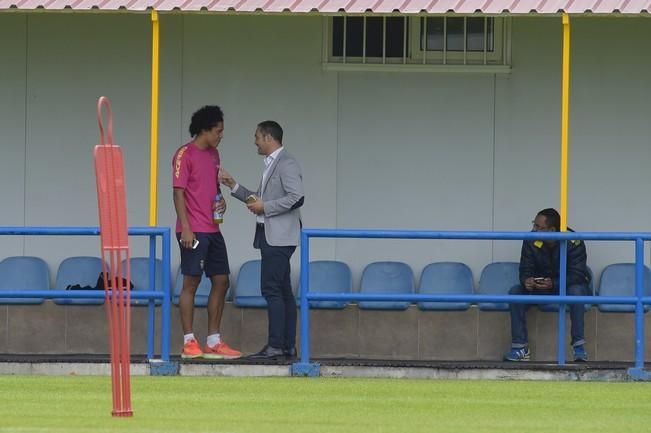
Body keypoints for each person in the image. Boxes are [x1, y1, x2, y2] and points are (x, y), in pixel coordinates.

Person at [219, 120, 304, 360]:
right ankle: (286, 345)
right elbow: (258, 200)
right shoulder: (272, 164)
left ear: (268, 138)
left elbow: (297, 198)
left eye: (257, 136)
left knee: (272, 289)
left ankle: (276, 345)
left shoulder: (286, 163)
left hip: (279, 237)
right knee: (283, 290)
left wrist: (266, 207)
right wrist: (233, 185)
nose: (254, 141)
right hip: (271, 235)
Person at [172, 105, 241, 360]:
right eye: (218, 131)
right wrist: (186, 228)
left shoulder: (214, 154)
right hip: (192, 229)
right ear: (204, 130)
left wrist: (220, 201)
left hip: (213, 227)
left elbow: (211, 188)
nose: (221, 135)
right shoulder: (184, 154)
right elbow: (178, 192)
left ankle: (214, 340)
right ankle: (189, 341)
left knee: (222, 280)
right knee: (191, 282)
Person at [504, 208, 591, 362]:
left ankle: (579, 348)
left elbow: (577, 274)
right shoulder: (530, 239)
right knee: (515, 292)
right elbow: (525, 268)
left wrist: (554, 283)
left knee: (577, 292)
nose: (534, 230)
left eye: (539, 227)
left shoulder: (573, 241)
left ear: (552, 229)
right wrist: (527, 281)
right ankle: (520, 347)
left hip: (567, 286)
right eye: (534, 225)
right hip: (541, 288)